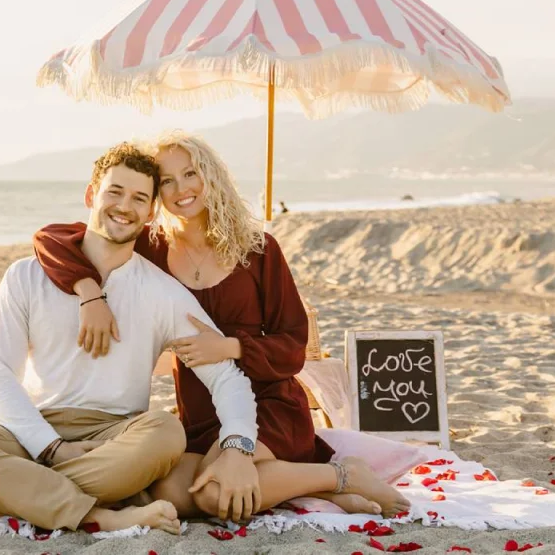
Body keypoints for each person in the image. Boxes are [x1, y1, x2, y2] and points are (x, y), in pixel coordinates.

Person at [33, 131, 410, 519]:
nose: (181, 189)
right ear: (156, 194)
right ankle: (313, 485)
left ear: (209, 176)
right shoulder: (151, 248)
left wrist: (232, 347)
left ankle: (342, 476)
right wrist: (89, 293)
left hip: (268, 403)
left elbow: (294, 346)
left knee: (213, 493)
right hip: (201, 410)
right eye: (166, 180)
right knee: (176, 493)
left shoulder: (258, 249)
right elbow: (52, 238)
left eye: (190, 173)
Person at [0, 142, 262, 537]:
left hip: (116, 437)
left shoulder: (161, 291)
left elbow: (227, 378)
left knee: (166, 433)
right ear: (91, 195)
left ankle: (2, 501)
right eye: (114, 192)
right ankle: (105, 514)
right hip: (34, 428)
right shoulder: (25, 277)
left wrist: (238, 446)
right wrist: (50, 447)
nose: (125, 206)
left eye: (139, 198)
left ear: (152, 211)